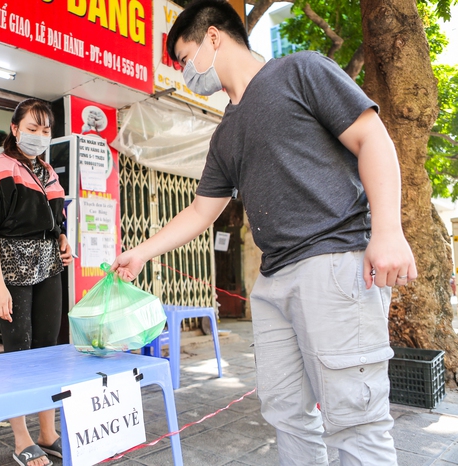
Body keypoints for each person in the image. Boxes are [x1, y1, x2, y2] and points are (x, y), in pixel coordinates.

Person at [111, 1, 417, 465]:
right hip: (272, 282)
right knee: (286, 414)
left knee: (355, 418)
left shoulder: (301, 70)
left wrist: (389, 230)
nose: (183, 70)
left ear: (213, 37)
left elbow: (372, 138)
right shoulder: (225, 132)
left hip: (333, 262)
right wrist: (142, 252)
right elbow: (200, 211)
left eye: (184, 56)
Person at [0, 98, 72, 466]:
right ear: (15, 130)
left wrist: (63, 241)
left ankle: (48, 433)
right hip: (11, 267)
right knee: (19, 353)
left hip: (49, 268)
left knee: (49, 351)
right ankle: (21, 439)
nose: (39, 136)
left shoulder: (50, 173)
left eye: (45, 130)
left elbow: (54, 223)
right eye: (31, 129)